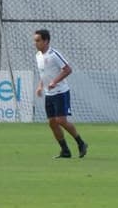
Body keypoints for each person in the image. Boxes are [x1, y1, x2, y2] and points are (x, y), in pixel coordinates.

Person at [34, 29, 88, 159]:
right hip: (49, 93)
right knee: (52, 122)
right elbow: (44, 73)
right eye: (35, 40)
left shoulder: (54, 54)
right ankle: (65, 150)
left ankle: (81, 143)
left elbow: (68, 69)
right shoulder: (38, 56)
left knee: (61, 120)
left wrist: (55, 81)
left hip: (61, 92)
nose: (35, 43)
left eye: (38, 40)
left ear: (46, 41)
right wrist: (40, 86)